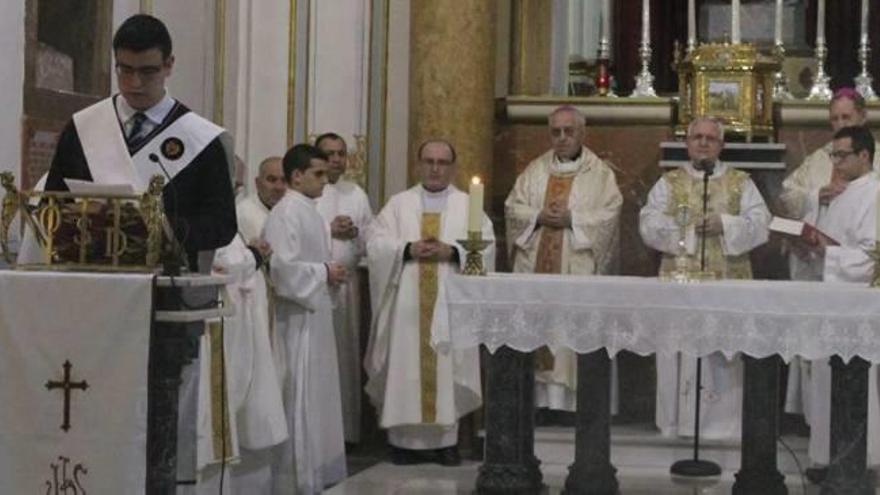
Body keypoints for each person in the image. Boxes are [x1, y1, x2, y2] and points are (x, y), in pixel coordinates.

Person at [43, 14, 236, 272]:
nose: (135, 83)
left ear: (169, 65)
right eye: (126, 69)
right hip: (90, 277)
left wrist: (161, 228)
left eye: (148, 71)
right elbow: (51, 206)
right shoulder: (82, 127)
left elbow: (222, 225)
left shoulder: (200, 140)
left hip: (166, 286)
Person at [639, 116, 770, 439]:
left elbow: (761, 222)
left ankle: (720, 426)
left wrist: (725, 224)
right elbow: (648, 223)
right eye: (696, 137)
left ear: (721, 145)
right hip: (680, 283)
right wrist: (688, 230)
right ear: (687, 143)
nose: (702, 143)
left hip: (727, 281)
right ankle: (676, 423)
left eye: (710, 138)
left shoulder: (741, 182)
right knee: (678, 349)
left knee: (721, 351)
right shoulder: (669, 183)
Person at [366, 139, 494, 466]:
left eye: (442, 162)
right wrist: (407, 250)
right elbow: (376, 243)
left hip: (449, 305)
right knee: (405, 366)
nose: (436, 168)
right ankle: (403, 443)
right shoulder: (399, 204)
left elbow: (488, 247)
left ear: (453, 167)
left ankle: (446, 443)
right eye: (429, 161)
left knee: (448, 367)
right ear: (418, 164)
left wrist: (452, 252)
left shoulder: (468, 205)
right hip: (407, 308)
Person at [504, 105, 622, 412]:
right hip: (536, 267)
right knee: (539, 330)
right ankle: (539, 405)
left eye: (569, 131)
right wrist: (538, 215)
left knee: (570, 334)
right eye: (555, 131)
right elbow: (513, 209)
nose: (562, 137)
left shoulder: (600, 174)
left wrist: (573, 219)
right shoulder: (535, 170)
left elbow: (609, 215)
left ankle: (573, 406)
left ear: (582, 133)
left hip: (576, 267)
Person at [787, 125, 880, 480]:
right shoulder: (834, 193)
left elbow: (874, 256)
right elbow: (819, 239)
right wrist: (804, 243)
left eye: (842, 155)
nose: (836, 163)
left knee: (851, 384)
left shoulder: (874, 194)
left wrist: (830, 253)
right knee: (824, 382)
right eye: (833, 155)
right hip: (829, 301)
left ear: (864, 156)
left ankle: (857, 461)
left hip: (857, 307)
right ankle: (826, 457)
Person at [263, 144, 347, 494]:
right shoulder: (286, 213)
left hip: (315, 315)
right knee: (299, 397)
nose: (325, 181)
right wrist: (325, 271)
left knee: (317, 396)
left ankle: (316, 471)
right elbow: (282, 271)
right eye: (318, 174)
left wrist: (329, 274)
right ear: (296, 176)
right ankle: (296, 478)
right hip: (296, 321)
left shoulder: (309, 211)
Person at [314, 132, 373, 445]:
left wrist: (354, 233)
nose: (336, 159)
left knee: (344, 359)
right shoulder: (308, 190)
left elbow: (370, 237)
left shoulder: (356, 193)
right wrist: (329, 229)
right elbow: (299, 229)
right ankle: (320, 435)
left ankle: (346, 434)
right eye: (329, 154)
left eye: (341, 153)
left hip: (348, 288)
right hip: (317, 286)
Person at [779, 88, 880, 220]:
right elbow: (788, 193)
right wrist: (817, 196)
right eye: (834, 119)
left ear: (863, 117)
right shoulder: (819, 158)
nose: (841, 124)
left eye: (846, 117)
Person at [237, 156, 286, 244]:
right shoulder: (243, 213)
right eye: (272, 180)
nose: (279, 187)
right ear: (258, 183)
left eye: (284, 180)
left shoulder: (294, 209)